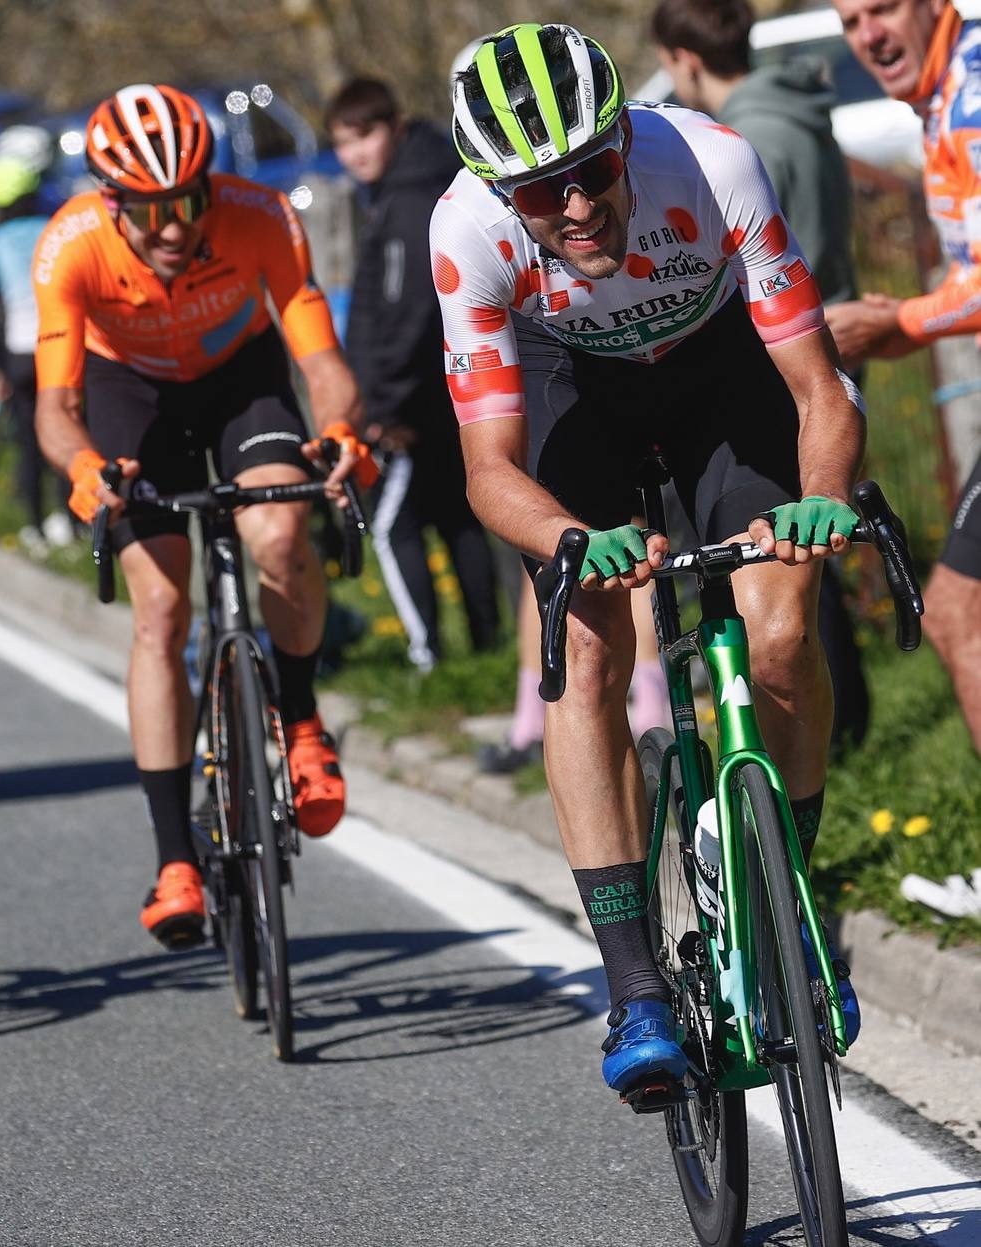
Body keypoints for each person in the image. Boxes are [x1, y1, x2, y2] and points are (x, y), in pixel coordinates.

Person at [433, 23, 864, 1095]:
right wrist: (571, 539)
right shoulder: (466, 232)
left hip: (721, 371)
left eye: (589, 170)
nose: (573, 206)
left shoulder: (711, 163)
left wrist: (819, 502)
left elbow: (816, 390)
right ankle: (632, 987)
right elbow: (488, 471)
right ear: (501, 195)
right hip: (569, 388)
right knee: (584, 657)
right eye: (539, 193)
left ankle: (794, 910)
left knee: (776, 636)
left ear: (624, 137)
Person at [33, 83, 376, 948]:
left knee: (281, 530)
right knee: (160, 613)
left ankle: (300, 724)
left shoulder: (259, 215)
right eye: (152, 210)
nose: (178, 224)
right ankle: (174, 858)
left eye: (190, 199)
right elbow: (56, 403)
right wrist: (83, 470)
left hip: (238, 380)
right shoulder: (68, 246)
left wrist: (338, 427)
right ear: (113, 202)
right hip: (129, 395)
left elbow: (322, 361)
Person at [651, 0, 870, 753]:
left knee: (771, 556)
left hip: (777, 353)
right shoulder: (802, 110)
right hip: (826, 325)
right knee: (804, 556)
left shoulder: (736, 143)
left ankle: (816, 737)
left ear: (685, 58)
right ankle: (837, 729)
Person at [826, 0, 981, 753]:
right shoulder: (942, 93)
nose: (868, 36)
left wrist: (904, 321)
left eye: (882, 9)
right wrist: (911, 320)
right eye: (851, 21)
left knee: (958, 613)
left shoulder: (975, 87)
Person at [327, 77, 500, 672]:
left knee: (391, 526)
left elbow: (409, 311)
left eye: (365, 136)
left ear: (396, 127)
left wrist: (383, 409)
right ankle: (486, 644)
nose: (355, 154)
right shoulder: (418, 183)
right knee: (457, 518)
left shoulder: (404, 202)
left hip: (409, 410)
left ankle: (429, 658)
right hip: (444, 397)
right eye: (343, 143)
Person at [0, 130, 75, 556]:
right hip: (61, 350)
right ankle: (68, 520)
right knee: (68, 431)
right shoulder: (54, 230)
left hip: (18, 354)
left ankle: (36, 527)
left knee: (29, 440)